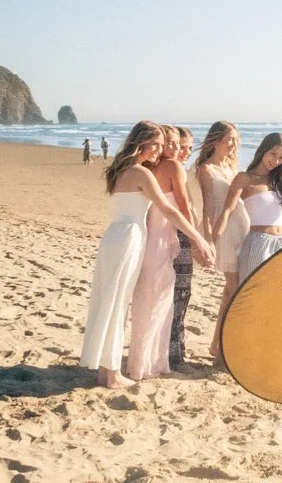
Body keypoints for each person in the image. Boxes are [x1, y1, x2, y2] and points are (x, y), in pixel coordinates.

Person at [80, 122, 213, 389]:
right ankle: (113, 375)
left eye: (161, 146)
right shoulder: (141, 172)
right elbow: (169, 210)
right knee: (117, 304)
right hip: (129, 237)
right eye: (155, 144)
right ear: (140, 142)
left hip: (115, 235)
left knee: (110, 301)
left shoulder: (120, 169)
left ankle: (106, 371)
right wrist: (198, 238)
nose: (159, 150)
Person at [212, 132, 282, 285]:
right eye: (273, 153)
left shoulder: (281, 180)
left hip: (281, 242)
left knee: (274, 291)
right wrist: (212, 242)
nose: (276, 160)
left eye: (281, 157)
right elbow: (227, 211)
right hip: (257, 243)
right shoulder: (245, 178)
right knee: (253, 290)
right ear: (263, 150)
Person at [126, 125, 185, 382]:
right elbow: (181, 206)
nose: (171, 148)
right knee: (154, 303)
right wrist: (197, 238)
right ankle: (143, 365)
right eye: (167, 143)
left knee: (149, 303)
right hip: (156, 242)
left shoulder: (149, 168)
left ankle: (145, 363)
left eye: (175, 144)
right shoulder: (167, 168)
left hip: (151, 240)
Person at [194, 121, 250, 360]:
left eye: (236, 139)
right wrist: (207, 240)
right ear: (216, 140)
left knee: (231, 290)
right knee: (234, 288)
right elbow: (207, 207)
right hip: (224, 231)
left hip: (241, 227)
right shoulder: (206, 170)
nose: (234, 144)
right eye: (230, 139)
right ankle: (223, 346)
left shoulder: (230, 166)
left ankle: (217, 345)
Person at [168, 126, 196, 370]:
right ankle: (174, 355)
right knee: (179, 295)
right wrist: (198, 241)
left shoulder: (176, 171)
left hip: (179, 236)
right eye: (182, 147)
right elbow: (184, 210)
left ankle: (175, 350)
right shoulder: (173, 171)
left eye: (190, 148)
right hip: (178, 238)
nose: (186, 152)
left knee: (179, 295)